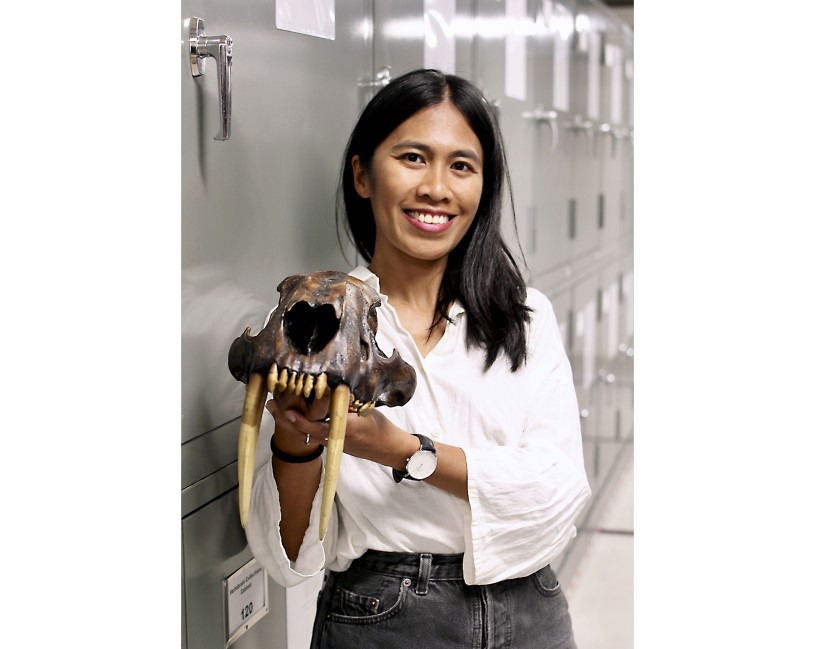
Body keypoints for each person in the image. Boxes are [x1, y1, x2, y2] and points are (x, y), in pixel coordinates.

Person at [246, 68, 591, 648]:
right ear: (362, 174)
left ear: (484, 185)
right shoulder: (313, 325)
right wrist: (299, 435)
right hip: (382, 617)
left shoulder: (525, 316)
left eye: (461, 166)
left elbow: (555, 489)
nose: (437, 188)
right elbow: (288, 556)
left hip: (530, 613)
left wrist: (399, 450)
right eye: (412, 157)